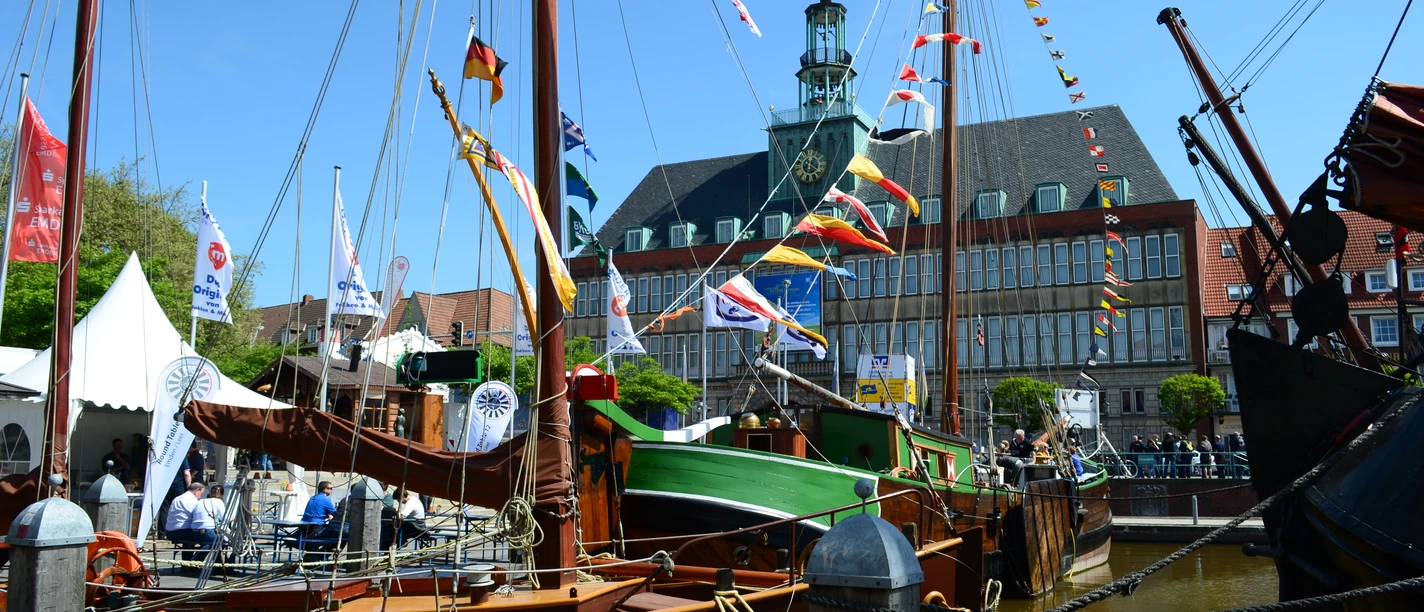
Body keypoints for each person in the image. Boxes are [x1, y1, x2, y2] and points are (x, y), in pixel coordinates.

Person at [165, 482, 215, 561]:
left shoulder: (177, 498)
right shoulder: (192, 501)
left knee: (191, 539)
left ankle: (186, 562)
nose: (200, 496)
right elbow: (197, 517)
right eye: (201, 493)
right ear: (196, 491)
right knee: (210, 540)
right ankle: (195, 562)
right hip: (182, 531)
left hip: (170, 532)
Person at [158, 454, 193, 537]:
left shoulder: (164, 456)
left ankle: (161, 533)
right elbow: (186, 473)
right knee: (180, 508)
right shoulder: (181, 456)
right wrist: (189, 488)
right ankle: (177, 530)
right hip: (179, 487)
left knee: (164, 510)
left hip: (165, 487)